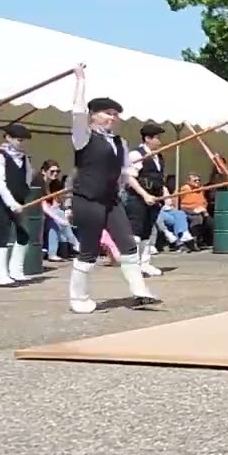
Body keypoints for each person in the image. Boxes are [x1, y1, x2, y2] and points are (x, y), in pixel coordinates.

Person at [66, 64, 162, 313]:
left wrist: (126, 187)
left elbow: (124, 172)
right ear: (94, 114)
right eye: (107, 113)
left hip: (111, 201)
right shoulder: (83, 136)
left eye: (115, 114)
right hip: (86, 200)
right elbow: (77, 112)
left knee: (128, 244)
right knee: (88, 249)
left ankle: (140, 290)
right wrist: (80, 81)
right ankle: (78, 298)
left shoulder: (121, 142)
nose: (112, 118)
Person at [0, 123, 36, 286]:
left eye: (25, 141)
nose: (22, 143)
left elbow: (28, 175)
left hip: (19, 199)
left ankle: (17, 271)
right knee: (3, 234)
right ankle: (0, 276)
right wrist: (11, 203)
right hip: (2, 200)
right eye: (19, 140)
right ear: (8, 138)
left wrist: (24, 192)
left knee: (24, 235)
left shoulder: (24, 158)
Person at [124, 122, 167, 277]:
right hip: (138, 198)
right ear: (148, 138)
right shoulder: (136, 154)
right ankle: (133, 264)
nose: (159, 141)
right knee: (136, 230)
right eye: (157, 137)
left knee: (147, 232)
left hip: (155, 198)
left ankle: (145, 263)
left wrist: (164, 193)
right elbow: (130, 177)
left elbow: (158, 178)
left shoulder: (158, 156)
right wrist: (144, 195)